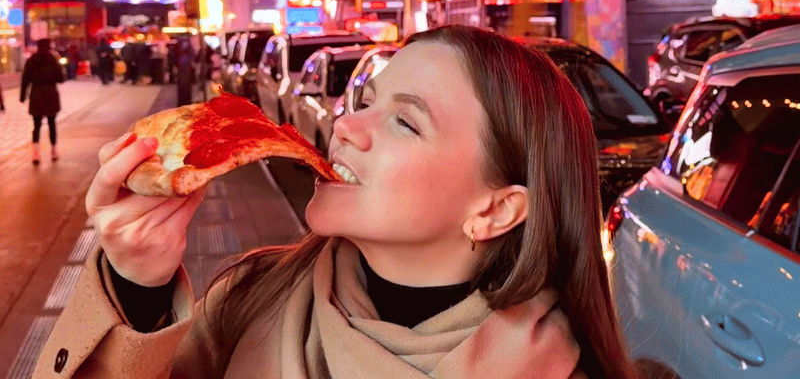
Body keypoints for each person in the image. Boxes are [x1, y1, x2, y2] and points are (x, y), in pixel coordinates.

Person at [34, 26, 639, 379]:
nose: (347, 125)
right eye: (367, 99)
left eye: (405, 121)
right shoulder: (246, 299)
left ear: (495, 210)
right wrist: (135, 286)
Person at [20, 38, 64, 164]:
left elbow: (25, 79)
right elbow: (61, 78)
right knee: (52, 122)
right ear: (49, 46)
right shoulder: (53, 59)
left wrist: (23, 96)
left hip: (36, 93)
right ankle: (54, 151)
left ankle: (35, 153)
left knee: (36, 124)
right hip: (50, 92)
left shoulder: (31, 60)